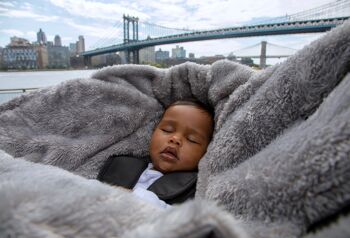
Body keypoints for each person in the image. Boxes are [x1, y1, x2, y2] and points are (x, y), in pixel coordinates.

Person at [97, 100, 214, 208]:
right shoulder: (121, 164)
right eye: (167, 130)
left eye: (191, 139)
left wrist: (135, 196)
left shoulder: (197, 190)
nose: (175, 139)